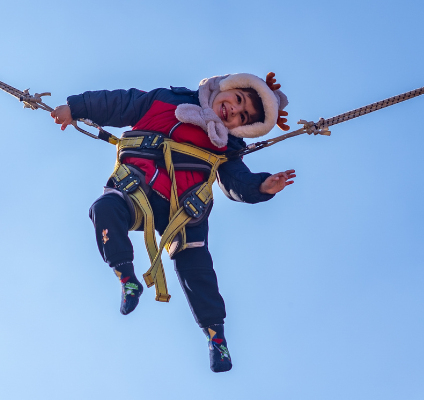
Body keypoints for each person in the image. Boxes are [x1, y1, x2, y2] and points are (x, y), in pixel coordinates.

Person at [50, 73, 297, 373]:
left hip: (184, 209)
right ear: (228, 88)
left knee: (197, 268)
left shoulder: (226, 146)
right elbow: (119, 103)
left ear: (243, 128)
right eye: (238, 100)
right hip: (137, 186)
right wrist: (76, 108)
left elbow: (237, 182)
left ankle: (215, 336)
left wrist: (261, 187)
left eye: (243, 117)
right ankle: (126, 276)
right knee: (104, 208)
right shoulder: (166, 101)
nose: (233, 111)